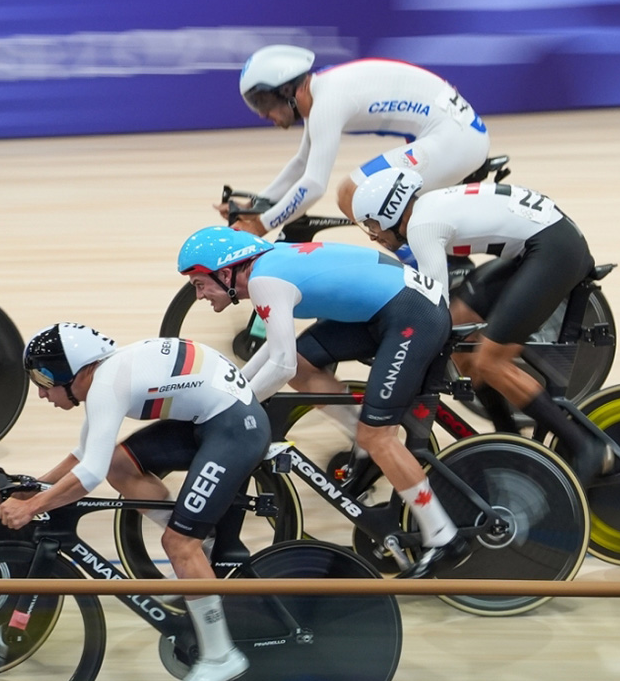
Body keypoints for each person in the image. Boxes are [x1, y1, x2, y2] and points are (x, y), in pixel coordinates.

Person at [1, 323, 267, 681]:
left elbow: (87, 476)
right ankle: (199, 542)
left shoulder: (107, 384)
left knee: (176, 543)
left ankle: (220, 654)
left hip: (234, 429)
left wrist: (31, 508)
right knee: (120, 466)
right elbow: (86, 455)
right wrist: (37, 487)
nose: (41, 393)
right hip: (208, 420)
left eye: (42, 380)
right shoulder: (105, 378)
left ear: (69, 371)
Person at [177, 226, 460, 573]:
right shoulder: (268, 267)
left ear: (224, 273)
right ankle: (361, 438)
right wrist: (239, 384)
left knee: (379, 436)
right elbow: (282, 350)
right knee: (305, 368)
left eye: (198, 284)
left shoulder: (265, 281)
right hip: (390, 306)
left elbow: (281, 363)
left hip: (413, 315)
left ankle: (444, 536)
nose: (199, 295)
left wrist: (235, 405)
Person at [351, 168, 609, 482]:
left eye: (372, 224)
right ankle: (509, 438)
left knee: (488, 361)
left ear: (390, 211)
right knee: (462, 331)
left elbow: (433, 304)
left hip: (552, 249)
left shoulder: (421, 225)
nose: (373, 234)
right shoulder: (426, 210)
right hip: (541, 244)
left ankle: (586, 448)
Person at [229, 46, 488, 241]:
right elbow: (302, 163)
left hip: (455, 139)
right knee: (376, 201)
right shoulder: (320, 91)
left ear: (287, 91)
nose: (262, 114)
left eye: (263, 103)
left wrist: (261, 225)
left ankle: (418, 272)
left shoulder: (327, 101)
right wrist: (257, 204)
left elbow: (314, 185)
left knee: (350, 193)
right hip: (454, 133)